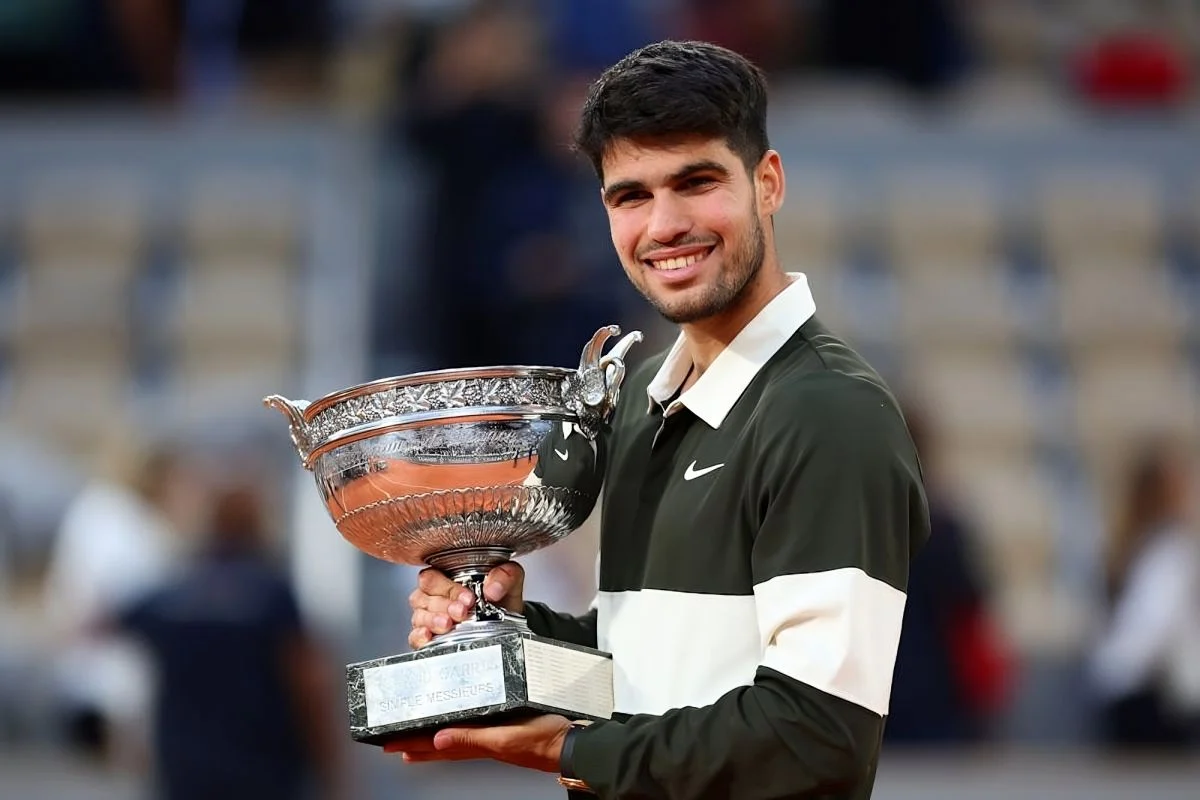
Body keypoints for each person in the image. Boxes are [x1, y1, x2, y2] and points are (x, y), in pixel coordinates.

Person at [393, 40, 930, 799]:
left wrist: (570, 750)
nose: (665, 224)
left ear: (768, 183)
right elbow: (647, 670)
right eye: (630, 196)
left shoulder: (830, 413)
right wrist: (515, 633)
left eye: (697, 182)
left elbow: (817, 737)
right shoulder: (643, 393)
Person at [1089, 440, 1200, 750]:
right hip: (1151, 693)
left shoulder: (1131, 547)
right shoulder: (1167, 550)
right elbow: (1150, 625)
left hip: (1130, 687)